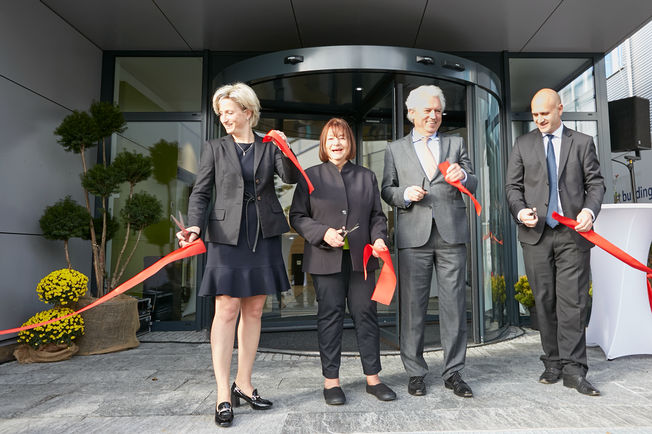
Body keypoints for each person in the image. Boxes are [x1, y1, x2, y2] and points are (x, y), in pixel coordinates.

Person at [177, 82, 299, 427]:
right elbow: (200, 193)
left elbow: (290, 178)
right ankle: (222, 393)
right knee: (227, 307)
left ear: (247, 112)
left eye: (229, 111)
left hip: (263, 233)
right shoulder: (214, 147)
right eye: (220, 113)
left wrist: (285, 146)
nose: (224, 118)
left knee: (255, 308)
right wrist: (195, 228)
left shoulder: (268, 145)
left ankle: (244, 383)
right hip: (225, 236)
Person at [289, 118, 397, 405]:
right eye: (330, 139)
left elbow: (377, 215)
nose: (336, 144)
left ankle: (373, 379)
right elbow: (297, 217)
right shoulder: (309, 175)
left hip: (362, 261)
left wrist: (379, 238)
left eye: (342, 138)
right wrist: (322, 232)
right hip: (325, 259)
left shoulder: (366, 176)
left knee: (366, 315)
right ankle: (331, 382)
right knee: (330, 316)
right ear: (324, 145)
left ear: (350, 143)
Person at [505, 88, 605, 396]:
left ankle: (575, 369)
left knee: (572, 302)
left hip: (572, 234)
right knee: (544, 300)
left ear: (560, 109)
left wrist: (589, 210)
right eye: (535, 115)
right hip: (536, 235)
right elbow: (512, 187)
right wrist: (521, 211)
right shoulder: (522, 144)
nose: (539, 120)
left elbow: (595, 184)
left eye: (544, 114)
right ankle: (553, 362)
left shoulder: (583, 143)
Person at [381, 85, 477, 398]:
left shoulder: (455, 142)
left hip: (451, 234)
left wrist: (463, 176)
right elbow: (387, 189)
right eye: (427, 111)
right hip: (413, 236)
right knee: (413, 308)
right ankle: (416, 373)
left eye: (437, 110)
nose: (433, 116)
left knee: (453, 307)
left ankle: (453, 372)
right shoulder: (394, 149)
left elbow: (473, 179)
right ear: (411, 114)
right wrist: (403, 195)